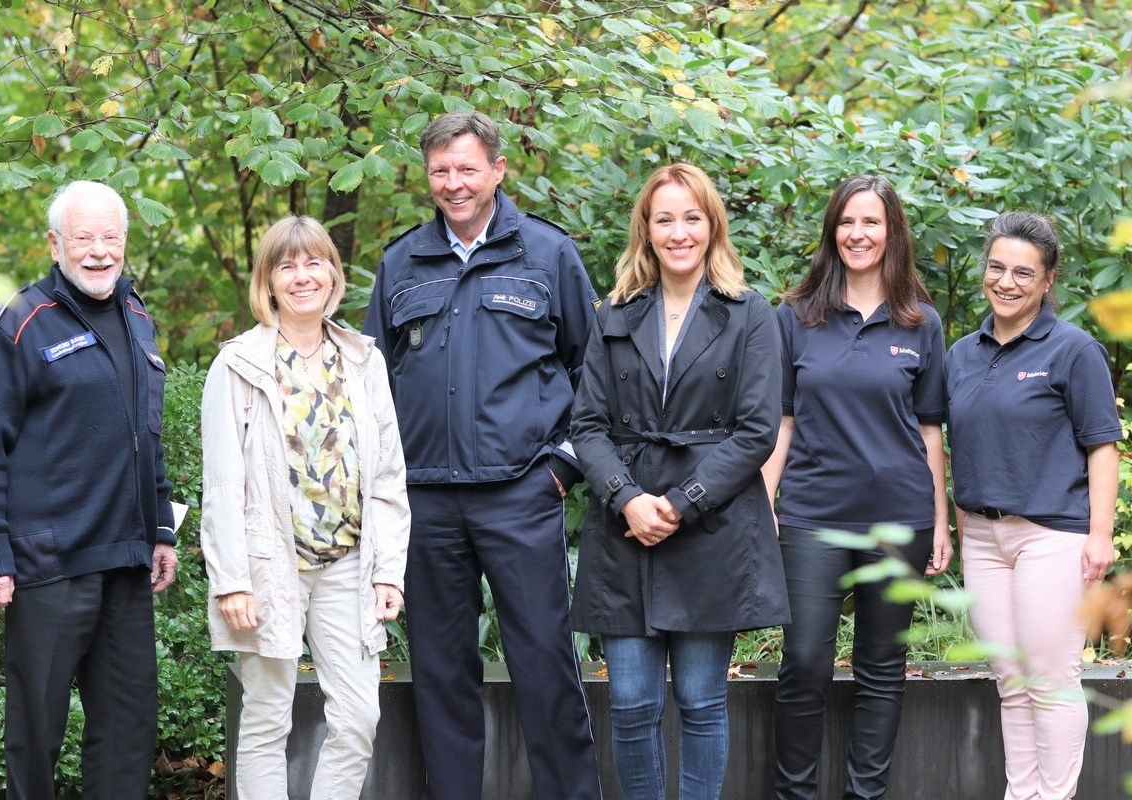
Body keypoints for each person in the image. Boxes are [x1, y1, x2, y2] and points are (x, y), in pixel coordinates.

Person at [363, 111, 603, 800]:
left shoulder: (548, 254)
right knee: (441, 672)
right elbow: (371, 385)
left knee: (544, 665)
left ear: (498, 170)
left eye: (467, 168)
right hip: (428, 501)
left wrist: (561, 467)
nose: (454, 183)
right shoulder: (402, 262)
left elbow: (593, 373)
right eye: (441, 170)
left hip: (522, 494)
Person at [570, 163, 789, 800]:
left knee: (700, 700)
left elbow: (756, 431)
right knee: (633, 704)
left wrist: (681, 502)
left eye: (691, 217)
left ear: (712, 226)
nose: (678, 231)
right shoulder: (614, 312)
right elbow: (586, 424)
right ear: (646, 229)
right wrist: (627, 498)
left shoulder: (748, 314)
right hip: (627, 524)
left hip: (710, 523)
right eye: (664, 218)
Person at [0, 180, 177, 800]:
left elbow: (147, 438)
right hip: (47, 565)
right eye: (85, 237)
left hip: (126, 564)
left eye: (112, 237)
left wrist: (160, 529)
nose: (100, 251)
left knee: (129, 728)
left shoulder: (138, 318)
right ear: (56, 243)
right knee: (37, 731)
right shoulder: (18, 323)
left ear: (126, 241)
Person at [201, 215, 410, 799]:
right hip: (271, 567)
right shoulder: (238, 365)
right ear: (268, 281)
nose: (302, 276)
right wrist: (232, 581)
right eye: (286, 266)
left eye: (314, 262)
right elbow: (221, 483)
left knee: (358, 717)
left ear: (333, 274)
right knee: (267, 719)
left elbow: (389, 475)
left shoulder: (363, 360)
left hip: (348, 567)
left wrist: (388, 571)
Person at [761, 175, 953, 800]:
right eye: (847, 222)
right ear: (832, 231)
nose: (858, 234)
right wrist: (765, 507)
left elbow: (930, 431)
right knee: (806, 666)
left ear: (892, 232)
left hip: (899, 519)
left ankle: (865, 795)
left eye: (872, 223)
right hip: (814, 514)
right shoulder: (794, 316)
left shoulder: (922, 322)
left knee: (882, 670)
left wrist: (940, 522)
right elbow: (781, 423)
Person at [947, 210, 1120, 800]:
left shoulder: (1073, 350)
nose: (1006, 281)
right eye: (996, 267)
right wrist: (964, 530)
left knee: (1050, 678)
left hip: (1052, 536)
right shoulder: (961, 354)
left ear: (1048, 281)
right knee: (1011, 681)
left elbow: (1102, 447)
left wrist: (1101, 535)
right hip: (983, 541)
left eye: (1024, 272)